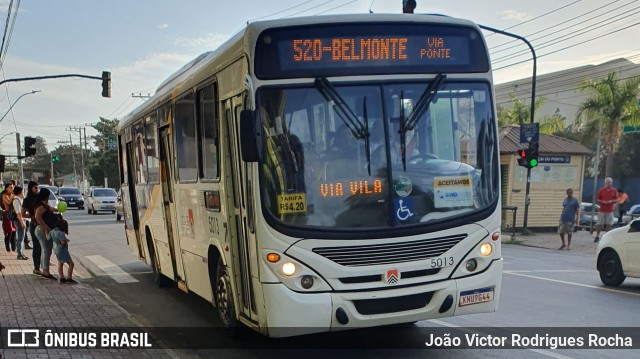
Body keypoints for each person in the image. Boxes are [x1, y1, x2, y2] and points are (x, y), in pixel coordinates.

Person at [34, 187, 57, 280]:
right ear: (45, 196)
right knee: (46, 250)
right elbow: (37, 217)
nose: (48, 197)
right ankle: (45, 272)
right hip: (42, 230)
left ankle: (45, 270)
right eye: (48, 196)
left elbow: (52, 209)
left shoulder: (45, 205)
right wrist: (46, 228)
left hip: (44, 229)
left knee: (47, 250)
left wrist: (59, 209)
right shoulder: (40, 206)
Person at [21, 181, 42, 275]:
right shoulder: (27, 200)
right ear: (30, 188)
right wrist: (32, 216)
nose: (37, 190)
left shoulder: (40, 197)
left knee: (43, 246)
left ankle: (44, 267)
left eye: (38, 188)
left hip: (42, 224)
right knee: (36, 246)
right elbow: (22, 214)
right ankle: (36, 267)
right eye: (35, 188)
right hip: (34, 224)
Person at [49, 215, 76, 284]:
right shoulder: (61, 233)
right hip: (62, 250)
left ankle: (62, 277)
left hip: (56, 249)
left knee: (60, 263)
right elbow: (63, 242)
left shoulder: (52, 231)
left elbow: (48, 238)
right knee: (71, 264)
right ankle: (69, 278)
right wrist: (66, 240)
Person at [595, 177, 618, 242]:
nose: (609, 183)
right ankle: (597, 236)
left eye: (610, 182)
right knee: (599, 224)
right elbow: (598, 199)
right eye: (608, 182)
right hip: (602, 209)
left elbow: (616, 199)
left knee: (609, 224)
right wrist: (602, 201)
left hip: (610, 210)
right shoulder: (601, 190)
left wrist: (611, 201)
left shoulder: (614, 190)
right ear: (605, 183)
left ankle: (606, 236)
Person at [11, 186, 28, 260]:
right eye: (22, 191)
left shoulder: (19, 199)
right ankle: (19, 254)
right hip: (19, 220)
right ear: (20, 192)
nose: (23, 193)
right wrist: (22, 222)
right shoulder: (16, 200)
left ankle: (21, 253)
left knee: (22, 237)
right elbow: (18, 213)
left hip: (21, 220)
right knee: (20, 238)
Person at [2, 182, 16, 252]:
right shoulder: (4, 195)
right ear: (6, 188)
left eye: (13, 187)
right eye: (10, 187)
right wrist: (14, 197)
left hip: (14, 214)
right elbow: (9, 202)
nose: (12, 188)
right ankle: (8, 248)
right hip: (7, 214)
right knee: (9, 231)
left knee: (14, 232)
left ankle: (14, 248)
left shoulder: (13, 195)